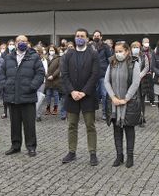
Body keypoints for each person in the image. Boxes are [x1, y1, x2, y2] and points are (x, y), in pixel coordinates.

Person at [0, 35, 45, 157]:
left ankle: (31, 147)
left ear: (28, 43)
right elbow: (1, 74)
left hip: (28, 96)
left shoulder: (34, 57)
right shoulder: (8, 57)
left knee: (29, 124)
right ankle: (15, 146)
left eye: (24, 41)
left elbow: (40, 73)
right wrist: (5, 86)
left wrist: (32, 86)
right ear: (15, 43)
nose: (21, 43)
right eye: (19, 41)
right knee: (14, 124)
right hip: (12, 95)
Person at [61, 28, 100, 166]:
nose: (79, 38)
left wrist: (84, 92)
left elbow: (95, 75)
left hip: (87, 96)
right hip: (72, 96)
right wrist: (72, 91)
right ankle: (72, 152)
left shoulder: (93, 54)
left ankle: (92, 153)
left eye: (82, 36)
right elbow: (64, 74)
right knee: (72, 125)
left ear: (87, 39)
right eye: (77, 36)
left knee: (90, 125)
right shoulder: (68, 54)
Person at [104, 42, 141, 168]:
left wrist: (126, 99)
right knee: (117, 130)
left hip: (128, 103)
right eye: (116, 51)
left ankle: (130, 156)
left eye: (120, 51)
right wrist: (113, 97)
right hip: (114, 103)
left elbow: (136, 82)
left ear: (127, 51)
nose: (118, 53)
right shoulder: (111, 63)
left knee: (129, 130)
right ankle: (119, 156)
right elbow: (106, 81)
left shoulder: (133, 63)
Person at [92, 30, 113, 120]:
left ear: (101, 37)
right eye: (95, 35)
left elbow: (110, 59)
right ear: (93, 37)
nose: (96, 37)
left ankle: (105, 113)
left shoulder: (105, 47)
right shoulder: (90, 46)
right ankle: (92, 114)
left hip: (103, 74)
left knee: (104, 95)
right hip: (92, 75)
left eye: (98, 36)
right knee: (93, 95)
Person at [130, 41, 150, 127]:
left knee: (141, 100)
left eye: (137, 47)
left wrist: (140, 75)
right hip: (132, 82)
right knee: (134, 100)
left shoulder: (143, 56)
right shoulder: (129, 57)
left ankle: (142, 118)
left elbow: (146, 67)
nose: (135, 49)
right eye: (134, 47)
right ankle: (135, 117)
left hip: (142, 82)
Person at [0, 39, 16, 119]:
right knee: (5, 95)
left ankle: (13, 112)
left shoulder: (16, 53)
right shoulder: (3, 54)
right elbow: (1, 67)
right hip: (6, 76)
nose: (11, 45)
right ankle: (5, 112)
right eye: (10, 44)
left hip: (13, 76)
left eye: (13, 44)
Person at [45, 45, 61, 116]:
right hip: (47, 79)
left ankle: (55, 108)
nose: (51, 51)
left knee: (55, 94)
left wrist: (53, 75)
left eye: (53, 50)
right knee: (48, 94)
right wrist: (47, 76)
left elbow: (59, 68)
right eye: (50, 50)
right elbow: (43, 67)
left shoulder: (58, 58)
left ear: (55, 51)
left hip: (55, 79)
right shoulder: (45, 58)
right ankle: (48, 108)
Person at [34, 46, 48, 122]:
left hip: (42, 82)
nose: (36, 52)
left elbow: (45, 71)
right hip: (32, 81)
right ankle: (33, 114)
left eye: (37, 51)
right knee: (33, 98)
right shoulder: (30, 59)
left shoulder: (43, 60)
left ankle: (38, 114)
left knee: (39, 98)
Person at [141, 37, 155, 106]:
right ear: (142, 43)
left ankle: (152, 101)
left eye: (148, 42)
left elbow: (153, 61)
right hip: (142, 73)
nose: (147, 43)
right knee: (142, 87)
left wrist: (152, 70)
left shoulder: (152, 51)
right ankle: (142, 101)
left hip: (150, 72)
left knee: (151, 87)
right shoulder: (140, 51)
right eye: (145, 42)